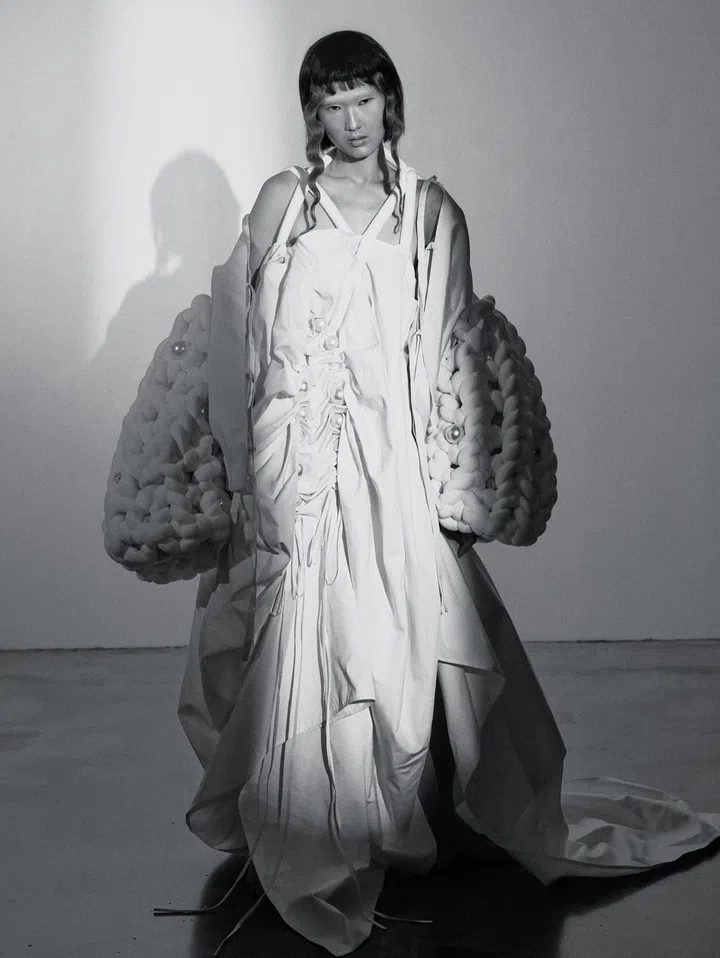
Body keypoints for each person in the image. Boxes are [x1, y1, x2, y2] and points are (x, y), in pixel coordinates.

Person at [161, 30, 719, 958]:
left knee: (397, 644)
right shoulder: (284, 202)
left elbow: (449, 349)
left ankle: (391, 818)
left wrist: (444, 485)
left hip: (388, 463)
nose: (350, 120)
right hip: (296, 462)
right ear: (312, 113)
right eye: (332, 103)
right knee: (286, 645)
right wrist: (249, 469)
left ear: (390, 101)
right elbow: (240, 335)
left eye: (364, 98)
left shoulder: (430, 212)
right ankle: (307, 816)